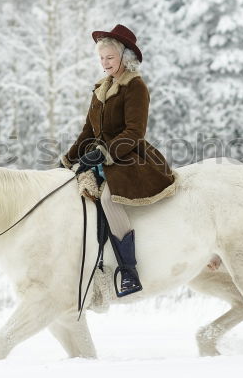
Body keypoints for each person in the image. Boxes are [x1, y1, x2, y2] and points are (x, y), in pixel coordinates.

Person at [59, 24, 177, 296]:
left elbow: (135, 131)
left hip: (129, 158)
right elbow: (88, 131)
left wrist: (104, 152)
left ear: (125, 58)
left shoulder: (135, 87)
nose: (104, 63)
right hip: (100, 156)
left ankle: (128, 270)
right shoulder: (100, 88)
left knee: (108, 199)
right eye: (101, 59)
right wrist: (69, 158)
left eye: (109, 58)